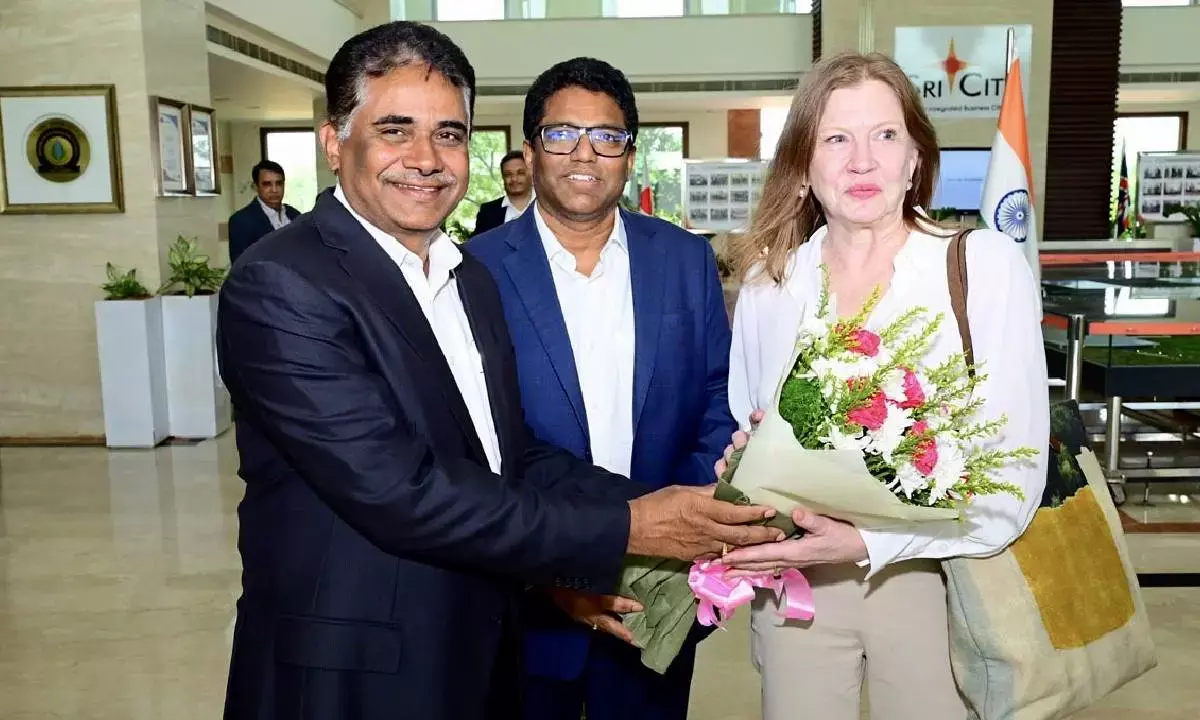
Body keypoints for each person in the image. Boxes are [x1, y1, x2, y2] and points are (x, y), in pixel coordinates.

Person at [216, 22, 783, 720]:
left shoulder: (461, 279)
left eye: (449, 134)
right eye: (396, 130)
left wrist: (662, 509)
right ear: (335, 143)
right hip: (354, 670)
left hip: (476, 647)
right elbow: (403, 490)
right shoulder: (282, 283)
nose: (426, 158)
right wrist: (627, 530)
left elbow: (509, 452)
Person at [717, 51, 1049, 720]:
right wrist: (744, 470)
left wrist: (871, 541)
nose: (861, 161)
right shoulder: (769, 284)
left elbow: (1016, 472)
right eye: (836, 138)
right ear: (805, 167)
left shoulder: (982, 267)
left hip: (939, 582)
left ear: (915, 159)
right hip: (799, 585)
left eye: (884, 135)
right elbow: (753, 423)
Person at [468, 58, 733, 720]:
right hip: (528, 596)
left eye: (607, 137)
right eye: (561, 135)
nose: (584, 154)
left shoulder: (684, 259)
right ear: (529, 151)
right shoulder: (473, 271)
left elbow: (717, 403)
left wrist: (670, 545)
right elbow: (472, 441)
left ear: (629, 155)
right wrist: (558, 564)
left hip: (659, 592)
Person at [227, 160, 300, 264]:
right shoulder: (241, 221)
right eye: (267, 184)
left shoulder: (295, 215)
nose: (274, 190)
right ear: (255, 187)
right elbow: (241, 268)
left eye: (279, 183)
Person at [472, 150, 535, 237]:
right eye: (508, 174)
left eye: (520, 173)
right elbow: (476, 246)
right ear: (503, 178)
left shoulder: (547, 206)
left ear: (531, 174)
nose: (514, 179)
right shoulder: (488, 212)